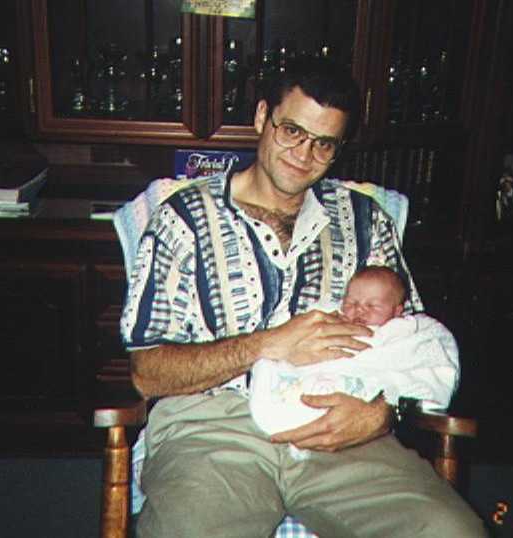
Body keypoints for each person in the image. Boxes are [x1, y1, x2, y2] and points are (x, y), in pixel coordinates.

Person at [121, 57, 486, 537]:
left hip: (341, 429)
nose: (304, 154)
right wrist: (267, 344)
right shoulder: (185, 218)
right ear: (262, 117)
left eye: (323, 143)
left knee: (451, 531)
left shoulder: (364, 220)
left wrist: (383, 413)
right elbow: (148, 372)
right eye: (292, 131)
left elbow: (417, 344)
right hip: (211, 428)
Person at [249, 266, 459, 445]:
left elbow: (426, 361)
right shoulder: (330, 318)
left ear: (397, 312)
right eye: (351, 303)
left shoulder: (402, 331)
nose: (359, 310)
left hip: (361, 406)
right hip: (308, 385)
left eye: (372, 305)